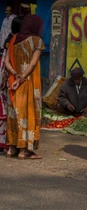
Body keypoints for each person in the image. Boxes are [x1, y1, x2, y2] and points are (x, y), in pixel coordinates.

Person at [4, 14, 44, 159]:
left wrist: (16, 74)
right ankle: (24, 151)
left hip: (13, 82)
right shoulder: (36, 41)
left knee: (15, 115)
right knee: (28, 115)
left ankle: (12, 149)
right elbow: (33, 64)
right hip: (28, 83)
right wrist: (22, 78)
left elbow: (7, 62)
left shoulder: (13, 40)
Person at [0, 16, 23, 154]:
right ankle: (10, 145)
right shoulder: (14, 41)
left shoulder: (10, 39)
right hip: (12, 81)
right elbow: (6, 65)